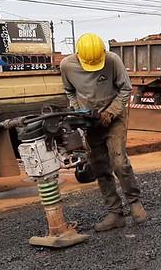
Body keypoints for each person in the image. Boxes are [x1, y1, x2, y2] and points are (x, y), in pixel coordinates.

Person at [61, 33, 148, 231]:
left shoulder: (112, 60)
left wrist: (111, 112)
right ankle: (115, 213)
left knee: (119, 161)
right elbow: (69, 91)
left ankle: (135, 203)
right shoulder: (67, 66)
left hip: (114, 117)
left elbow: (126, 89)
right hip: (90, 121)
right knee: (99, 166)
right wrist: (78, 111)